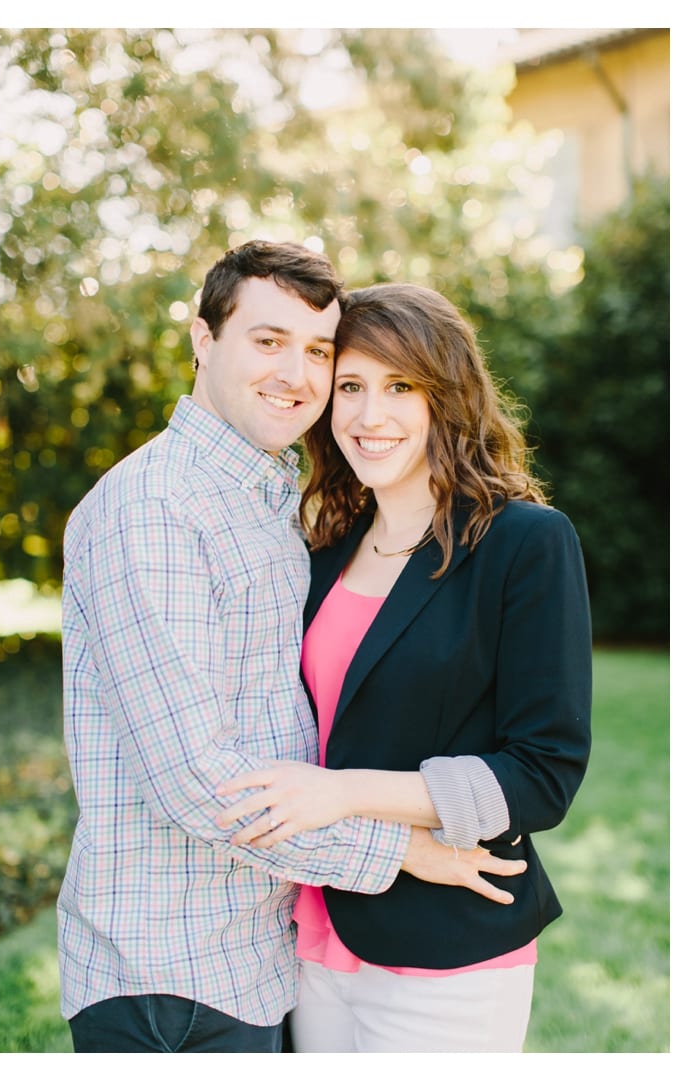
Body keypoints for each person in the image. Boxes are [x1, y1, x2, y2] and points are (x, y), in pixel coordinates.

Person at [57, 242, 519, 1053]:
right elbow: (200, 780)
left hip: (264, 959)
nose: (297, 375)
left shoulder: (277, 506)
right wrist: (402, 848)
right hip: (172, 974)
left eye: (317, 352)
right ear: (204, 340)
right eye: (268, 340)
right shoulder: (155, 508)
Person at [214, 282, 592, 1051]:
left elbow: (542, 774)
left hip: (448, 950)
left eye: (399, 386)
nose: (368, 415)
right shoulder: (320, 552)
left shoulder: (525, 544)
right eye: (350, 386)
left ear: (445, 397)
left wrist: (340, 792)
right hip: (310, 938)